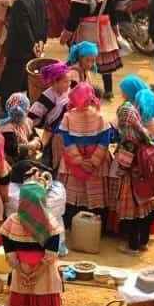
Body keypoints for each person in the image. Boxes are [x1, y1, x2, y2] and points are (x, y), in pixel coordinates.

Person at [2, 179, 65, 306]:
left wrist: (21, 271)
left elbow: (9, 250)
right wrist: (36, 273)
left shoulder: (12, 221)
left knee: (21, 305)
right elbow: (51, 255)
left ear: (22, 200)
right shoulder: (51, 223)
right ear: (42, 200)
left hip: (21, 270)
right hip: (44, 273)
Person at [111, 77, 154, 254]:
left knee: (134, 211)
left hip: (133, 180)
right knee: (147, 209)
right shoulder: (145, 132)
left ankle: (132, 245)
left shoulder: (130, 138)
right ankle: (143, 242)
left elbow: (124, 162)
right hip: (149, 178)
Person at [58, 83, 113, 230]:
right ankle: (97, 227)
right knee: (96, 193)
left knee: (73, 192)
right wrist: (94, 161)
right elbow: (105, 141)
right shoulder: (100, 117)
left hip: (73, 163)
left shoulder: (68, 117)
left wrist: (79, 160)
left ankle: (72, 224)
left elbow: (67, 141)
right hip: (97, 165)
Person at [64, 0, 121, 98]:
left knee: (81, 60)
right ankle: (108, 91)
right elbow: (113, 17)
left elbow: (73, 19)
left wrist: (66, 34)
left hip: (85, 32)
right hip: (104, 32)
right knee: (105, 60)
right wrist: (117, 33)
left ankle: (81, 89)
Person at [0, 0, 49, 102]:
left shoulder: (19, 2)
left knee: (12, 80)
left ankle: (8, 106)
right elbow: (45, 20)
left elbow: (23, 28)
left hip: (19, 48)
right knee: (28, 78)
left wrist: (32, 44)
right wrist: (40, 41)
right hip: (36, 45)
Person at [0, 93, 41, 162]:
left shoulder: (27, 122)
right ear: (26, 111)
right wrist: (30, 145)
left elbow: (34, 135)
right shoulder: (7, 128)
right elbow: (12, 150)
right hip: (14, 162)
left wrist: (36, 140)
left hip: (26, 158)